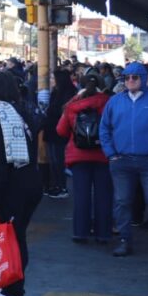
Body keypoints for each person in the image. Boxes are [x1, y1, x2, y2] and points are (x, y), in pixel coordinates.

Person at [0, 71, 43, 296]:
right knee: (15, 236)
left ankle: (14, 293)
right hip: (30, 183)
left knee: (13, 239)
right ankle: (6, 284)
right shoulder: (21, 112)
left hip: (13, 188)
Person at [98, 62, 148, 257]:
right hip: (121, 161)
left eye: (135, 77)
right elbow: (104, 129)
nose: (130, 81)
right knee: (122, 201)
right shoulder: (114, 101)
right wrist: (111, 154)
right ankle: (124, 239)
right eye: (126, 77)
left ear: (143, 79)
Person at [56, 72, 112, 245]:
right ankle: (103, 233)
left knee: (81, 195)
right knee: (103, 195)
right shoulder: (108, 103)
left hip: (78, 156)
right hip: (103, 154)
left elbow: (61, 131)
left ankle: (80, 232)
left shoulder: (73, 105)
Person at [43, 69, 75, 199]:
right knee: (53, 159)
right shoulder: (56, 92)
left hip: (59, 131)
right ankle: (56, 185)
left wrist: (48, 111)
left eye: (52, 78)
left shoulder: (68, 93)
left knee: (58, 159)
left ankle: (61, 186)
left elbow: (62, 112)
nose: (50, 81)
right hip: (51, 130)